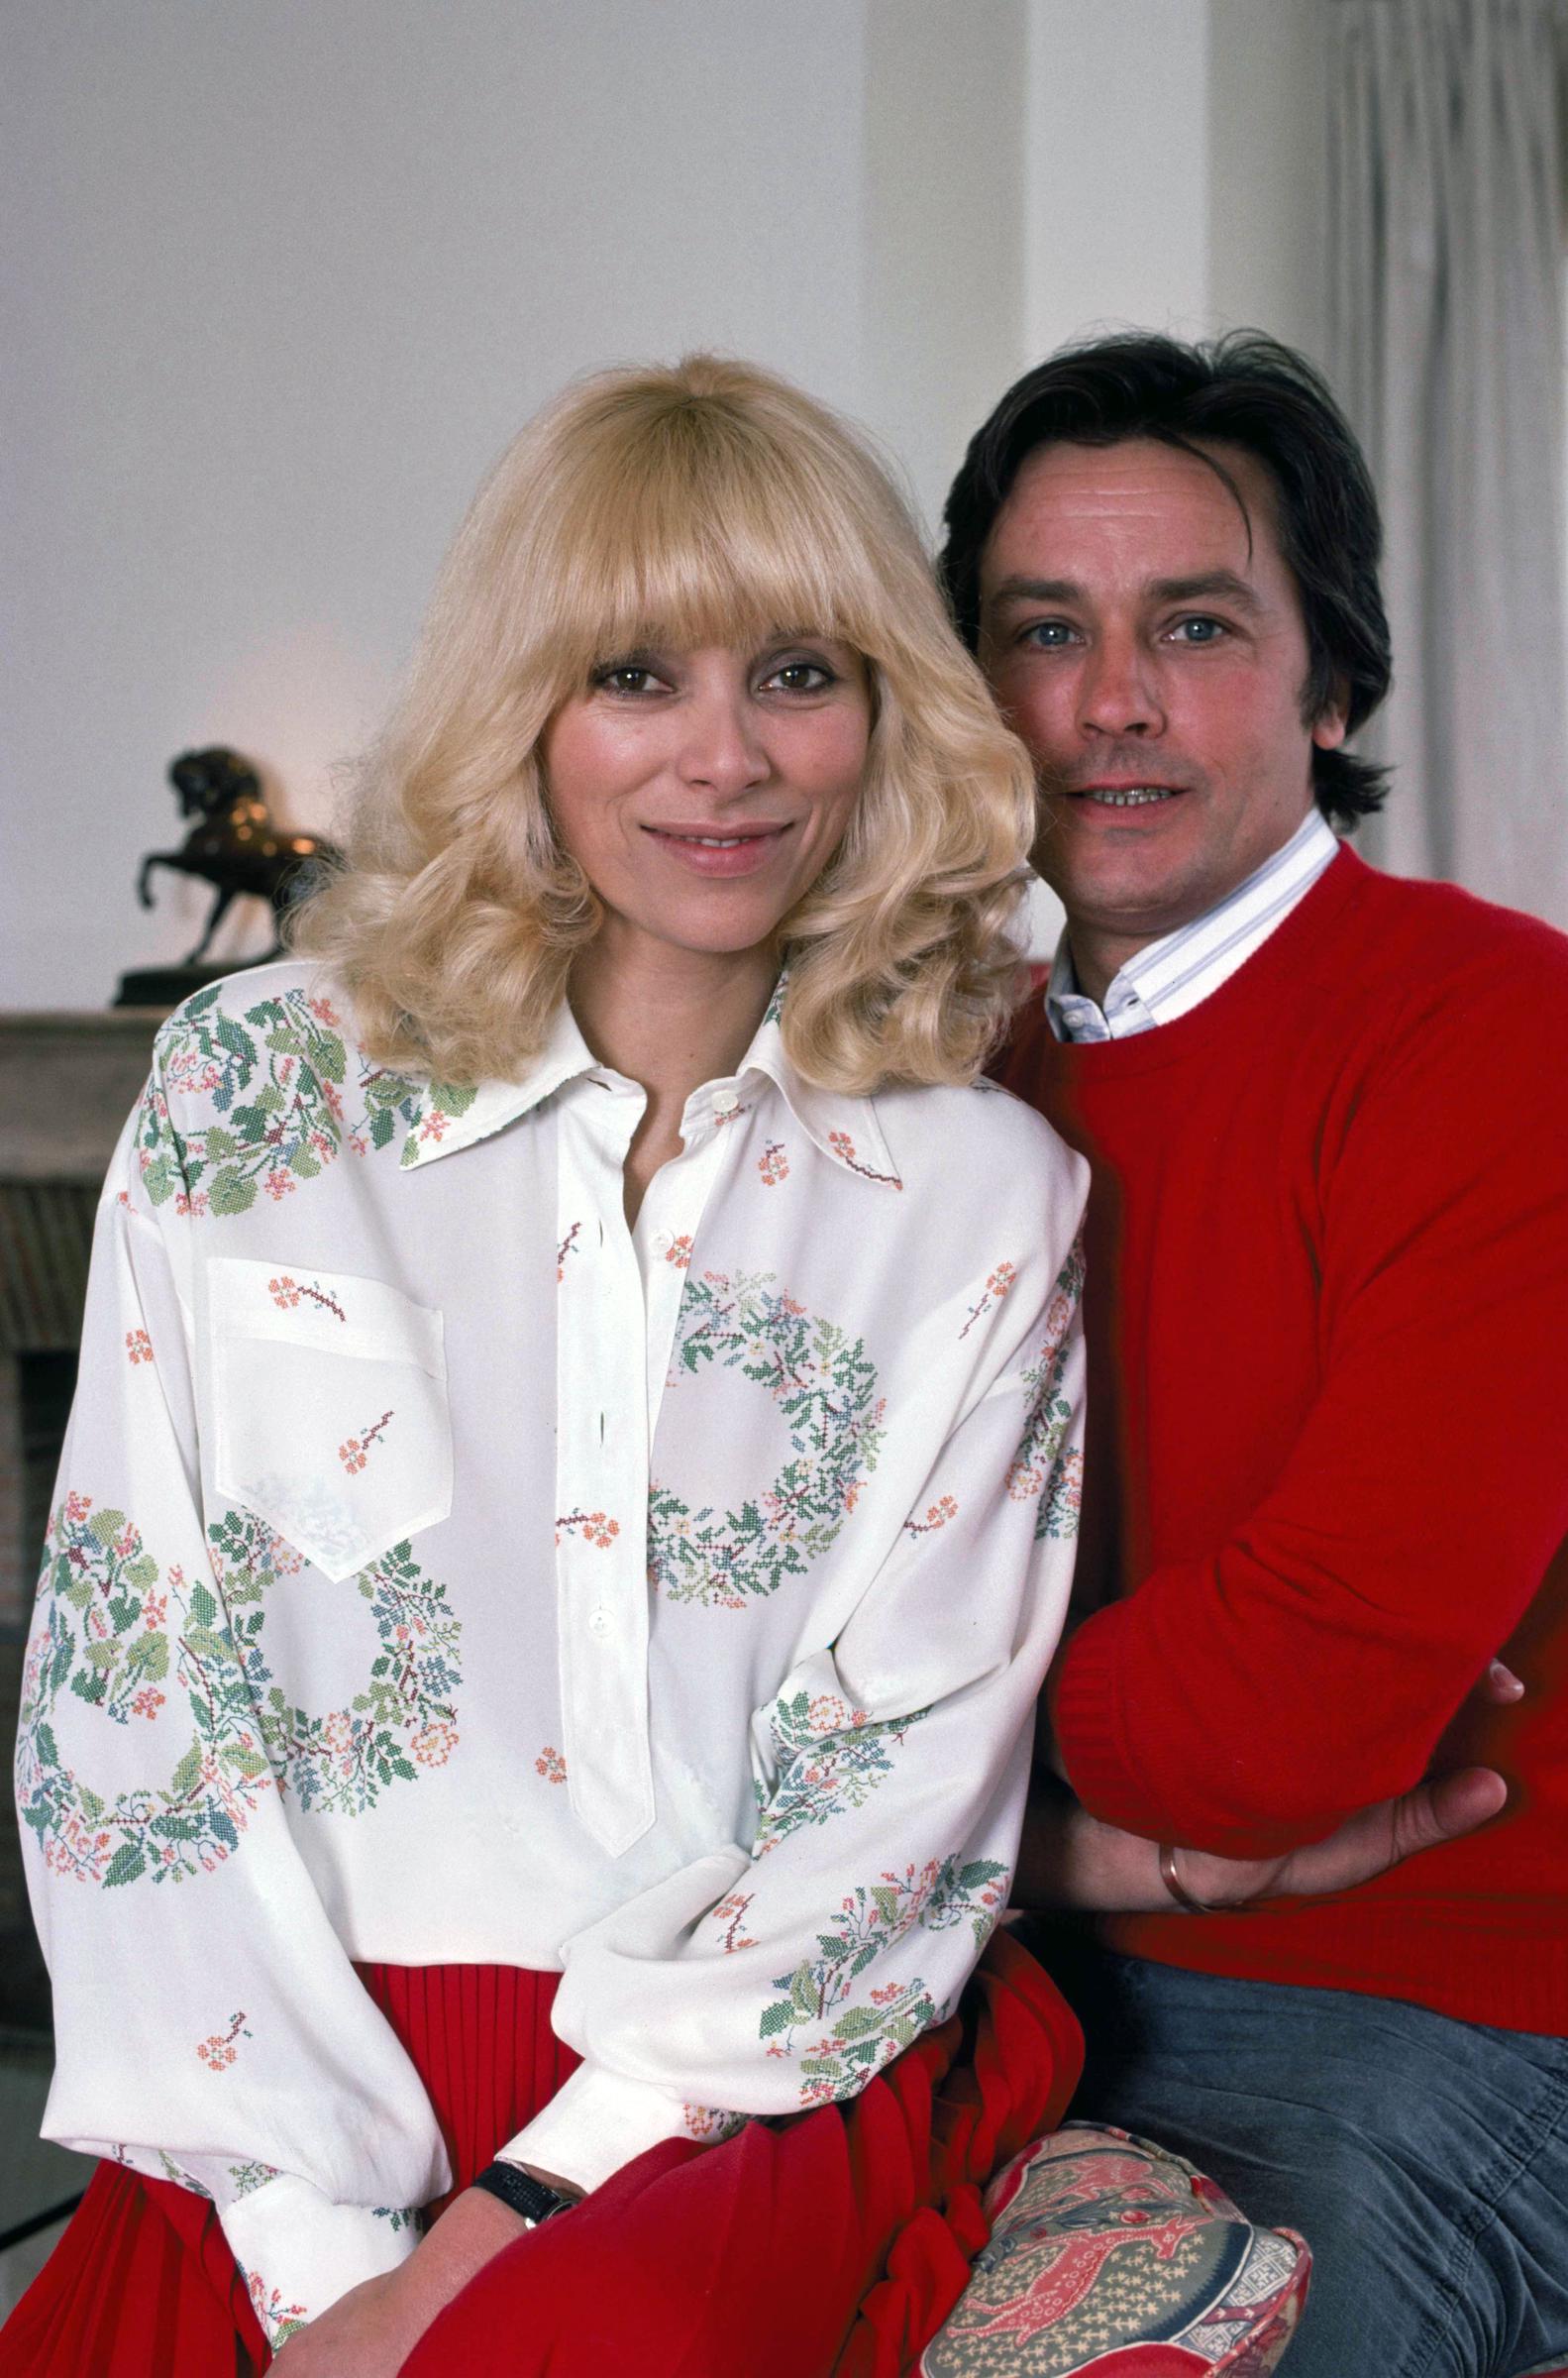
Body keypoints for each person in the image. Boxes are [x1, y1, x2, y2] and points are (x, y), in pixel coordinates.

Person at [5, 356, 1095, 2378]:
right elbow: (129, 1710)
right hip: (285, 2058)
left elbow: (900, 1791)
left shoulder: (982, 1197)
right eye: (631, 678)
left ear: (883, 719)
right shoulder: (252, 1097)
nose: (726, 759)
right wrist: (319, 2251)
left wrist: (470, 2258)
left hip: (747, 2061)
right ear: (524, 713)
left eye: (797, 672)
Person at [938, 330, 1568, 2376]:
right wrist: (1057, 1832)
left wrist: (882, 1744)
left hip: (1426, 2006)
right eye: (1046, 632)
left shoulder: (1496, 1038)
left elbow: (1294, 1722)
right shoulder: (940, 1077)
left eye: (1195, 626)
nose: (1111, 702)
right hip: (972, 1957)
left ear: (1333, 680)